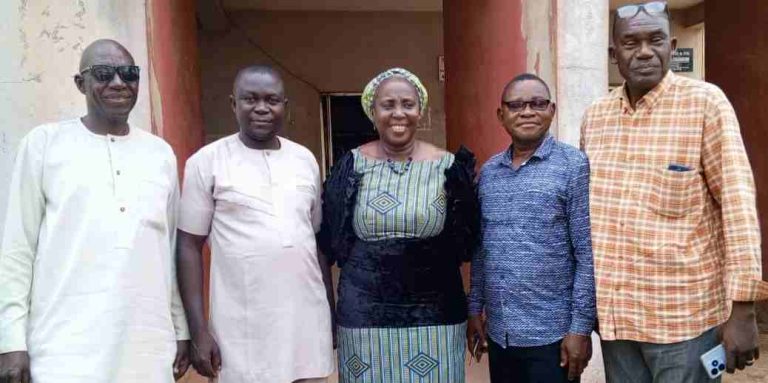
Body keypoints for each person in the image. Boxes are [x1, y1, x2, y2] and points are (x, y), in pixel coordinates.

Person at [580, 2, 768, 382]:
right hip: (618, 320)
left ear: (672, 44)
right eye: (631, 42)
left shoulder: (705, 103)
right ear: (614, 54)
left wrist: (744, 310)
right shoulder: (595, 117)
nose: (644, 51)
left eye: (656, 40)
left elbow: (737, 205)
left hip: (687, 320)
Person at [0, 39, 190, 383]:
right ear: (80, 83)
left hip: (146, 349)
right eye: (103, 73)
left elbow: (170, 248)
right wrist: (10, 341)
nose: (118, 83)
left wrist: (181, 329)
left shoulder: (160, 155)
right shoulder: (44, 144)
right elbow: (17, 250)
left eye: (128, 74)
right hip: (62, 351)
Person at [319, 67, 480, 382]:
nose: (398, 113)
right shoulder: (350, 167)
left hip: (436, 313)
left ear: (420, 110)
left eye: (407, 104)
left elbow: (468, 241)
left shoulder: (447, 168)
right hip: (364, 315)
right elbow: (330, 240)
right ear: (372, 111)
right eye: (387, 104)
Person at [176, 65, 335, 383]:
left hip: (305, 316)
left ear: (284, 108)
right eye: (250, 99)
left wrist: (330, 311)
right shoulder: (207, 162)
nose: (261, 108)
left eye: (272, 100)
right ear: (233, 104)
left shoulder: (304, 160)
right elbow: (188, 246)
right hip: (243, 324)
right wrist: (197, 331)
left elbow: (316, 243)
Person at [467, 73, 595, 382]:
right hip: (501, 334)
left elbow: (587, 253)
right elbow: (481, 249)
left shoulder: (573, 166)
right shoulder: (488, 173)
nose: (527, 112)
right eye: (516, 105)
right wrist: (475, 309)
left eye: (537, 104)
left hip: (553, 335)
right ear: (502, 115)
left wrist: (580, 328)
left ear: (552, 110)